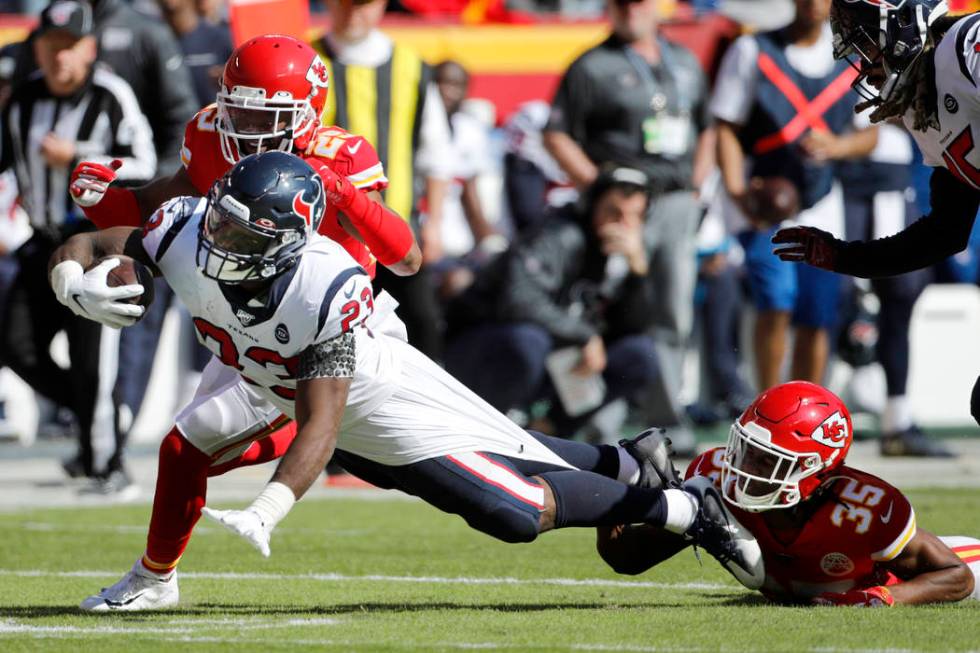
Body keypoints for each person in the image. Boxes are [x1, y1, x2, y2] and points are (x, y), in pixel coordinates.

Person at [51, 151, 763, 611]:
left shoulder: (320, 286)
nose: (221, 243)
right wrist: (75, 279)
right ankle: (152, 576)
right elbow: (99, 239)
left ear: (290, 244)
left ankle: (684, 507)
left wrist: (269, 506)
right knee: (189, 441)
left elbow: (322, 423)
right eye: (224, 224)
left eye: (244, 237)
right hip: (271, 383)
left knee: (512, 510)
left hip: (381, 399)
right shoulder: (188, 225)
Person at [771, 1, 980, 427]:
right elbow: (945, 232)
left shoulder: (966, 45)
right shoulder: (930, 108)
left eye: (868, 43)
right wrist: (845, 257)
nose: (865, 62)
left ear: (905, 24)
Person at [69, 33, 420, 282]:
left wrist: (345, 195)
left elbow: (406, 260)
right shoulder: (211, 140)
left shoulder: (337, 158)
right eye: (239, 112)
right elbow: (152, 212)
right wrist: (98, 200)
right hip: (248, 331)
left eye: (267, 115)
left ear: (307, 113)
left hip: (341, 321)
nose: (247, 128)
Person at [595, 381, 980, 606]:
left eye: (766, 460)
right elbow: (626, 557)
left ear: (813, 470)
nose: (744, 468)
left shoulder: (864, 509)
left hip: (965, 557)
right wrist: (615, 491)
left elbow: (957, 575)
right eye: (745, 450)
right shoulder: (718, 481)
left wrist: (879, 596)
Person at [543, 0, 714, 453]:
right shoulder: (591, 66)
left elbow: (707, 127)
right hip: (622, 204)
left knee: (673, 310)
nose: (628, 9)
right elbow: (557, 133)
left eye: (637, 2)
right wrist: (601, 188)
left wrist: (697, 185)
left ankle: (666, 422)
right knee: (613, 308)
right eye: (619, 3)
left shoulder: (685, 61)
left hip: (675, 201)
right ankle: (607, 423)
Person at [0, 0, 156, 484]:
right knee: (15, 343)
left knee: (94, 358)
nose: (59, 58)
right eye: (50, 47)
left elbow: (146, 165)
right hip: (42, 241)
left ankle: (107, 464)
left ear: (89, 49)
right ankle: (95, 421)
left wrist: (78, 157)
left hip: (94, 245)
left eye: (69, 48)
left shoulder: (111, 95)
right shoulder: (24, 100)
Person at [712, 0, 877, 392]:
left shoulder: (852, 57)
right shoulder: (753, 50)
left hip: (823, 206)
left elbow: (869, 132)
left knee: (817, 316)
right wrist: (738, 193)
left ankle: (803, 409)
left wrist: (836, 147)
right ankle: (766, 404)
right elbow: (725, 126)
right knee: (775, 302)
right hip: (766, 206)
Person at [445, 167, 661, 436]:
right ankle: (481, 432)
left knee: (639, 355)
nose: (623, 225)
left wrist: (638, 272)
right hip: (483, 347)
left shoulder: (627, 254)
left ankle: (547, 432)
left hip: (557, 359)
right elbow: (519, 302)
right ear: (592, 206)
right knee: (529, 341)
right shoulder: (557, 234)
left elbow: (636, 327)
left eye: (634, 216)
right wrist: (583, 335)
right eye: (613, 212)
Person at [314, 0, 454, 359]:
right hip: (324, 236)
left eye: (362, 4)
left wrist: (435, 223)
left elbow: (435, 151)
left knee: (420, 330)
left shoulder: (410, 66)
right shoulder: (308, 64)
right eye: (344, 3)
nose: (352, 12)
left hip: (396, 228)